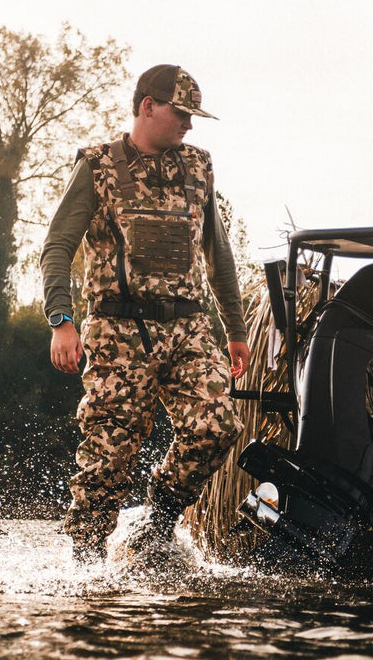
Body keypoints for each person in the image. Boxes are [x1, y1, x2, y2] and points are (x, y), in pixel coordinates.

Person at [40, 64, 250, 564]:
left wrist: (236, 329)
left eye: (193, 116)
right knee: (107, 458)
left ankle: (156, 522)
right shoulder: (97, 165)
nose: (189, 125)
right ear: (147, 106)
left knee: (217, 427)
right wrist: (61, 321)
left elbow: (218, 254)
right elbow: (57, 245)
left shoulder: (199, 168)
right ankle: (86, 563)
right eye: (181, 113)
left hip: (189, 326)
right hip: (118, 329)